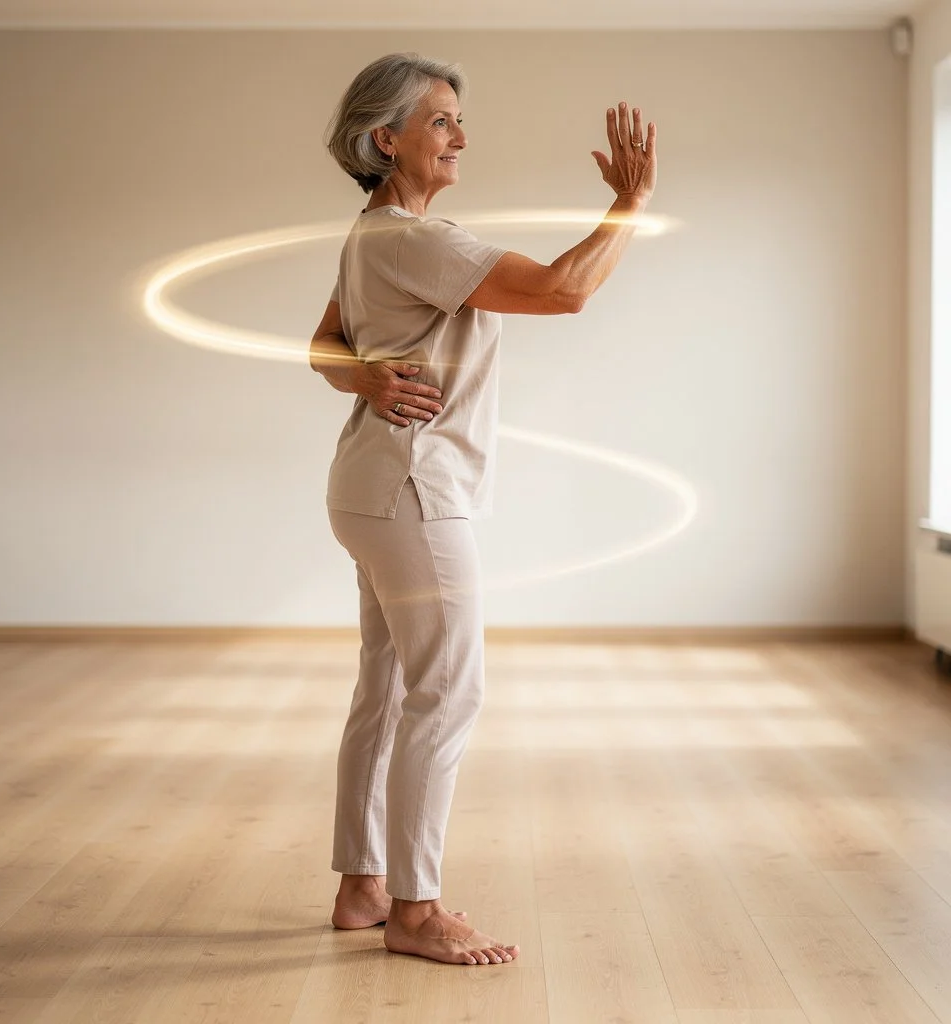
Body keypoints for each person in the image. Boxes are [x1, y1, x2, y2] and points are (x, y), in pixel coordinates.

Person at [309, 52, 656, 967]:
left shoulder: (369, 236)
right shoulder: (415, 239)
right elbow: (564, 290)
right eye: (440, 121)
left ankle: (362, 886)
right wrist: (629, 206)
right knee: (447, 690)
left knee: (386, 687)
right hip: (415, 491)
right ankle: (416, 911)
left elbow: (322, 344)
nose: (459, 136)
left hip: (374, 486)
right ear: (386, 140)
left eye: (459, 119)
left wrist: (366, 372)